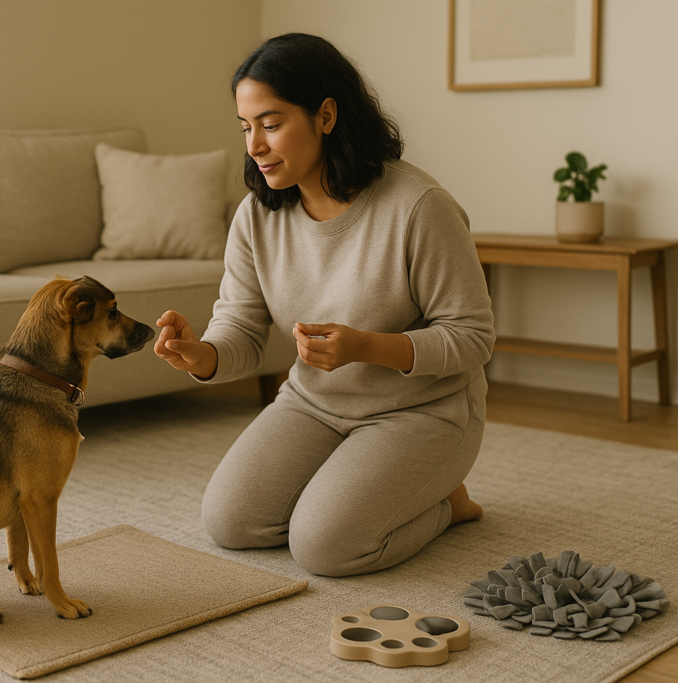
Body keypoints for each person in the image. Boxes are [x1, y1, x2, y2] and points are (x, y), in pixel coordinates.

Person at [154, 33, 493, 577]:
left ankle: (448, 503)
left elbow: (473, 336)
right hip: (313, 405)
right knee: (231, 523)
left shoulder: (418, 207)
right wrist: (203, 355)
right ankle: (358, 487)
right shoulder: (257, 216)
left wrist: (366, 347)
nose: (254, 146)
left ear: (326, 115)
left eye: (271, 123)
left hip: (425, 411)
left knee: (326, 547)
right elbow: (240, 326)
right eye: (245, 127)